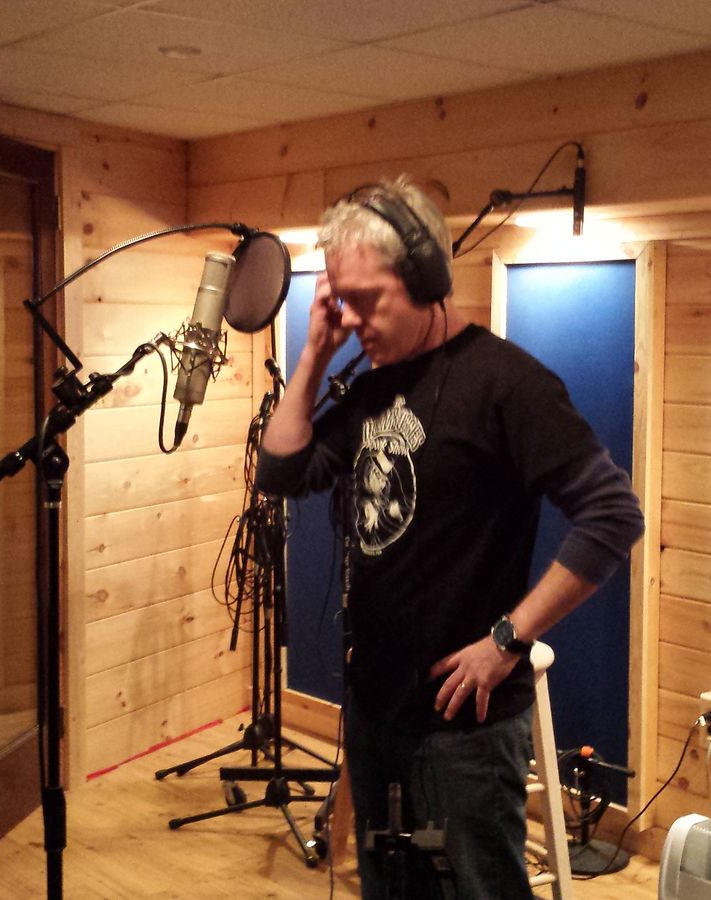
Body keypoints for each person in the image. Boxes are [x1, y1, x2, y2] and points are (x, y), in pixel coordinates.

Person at [256, 177, 644, 899]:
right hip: (376, 712)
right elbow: (280, 471)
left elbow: (613, 515)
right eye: (342, 301)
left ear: (428, 279)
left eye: (368, 299)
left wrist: (508, 640)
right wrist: (313, 355)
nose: (354, 320)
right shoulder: (372, 389)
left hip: (466, 729)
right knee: (391, 885)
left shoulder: (508, 384)